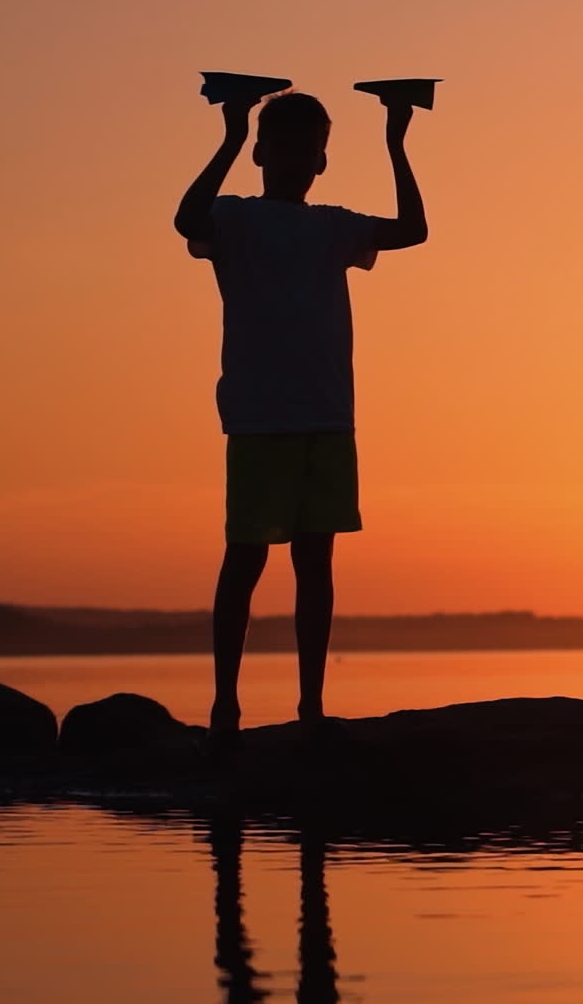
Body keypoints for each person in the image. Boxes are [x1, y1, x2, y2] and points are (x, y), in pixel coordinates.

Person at [174, 89, 427, 741]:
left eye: (307, 149)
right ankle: (225, 704)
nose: (293, 159)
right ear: (262, 153)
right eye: (280, 147)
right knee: (245, 559)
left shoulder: (332, 227)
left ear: (322, 161)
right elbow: (186, 219)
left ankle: (310, 704)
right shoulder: (232, 220)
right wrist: (230, 134)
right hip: (260, 417)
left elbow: (413, 230)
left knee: (316, 566)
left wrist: (397, 143)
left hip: (327, 418)